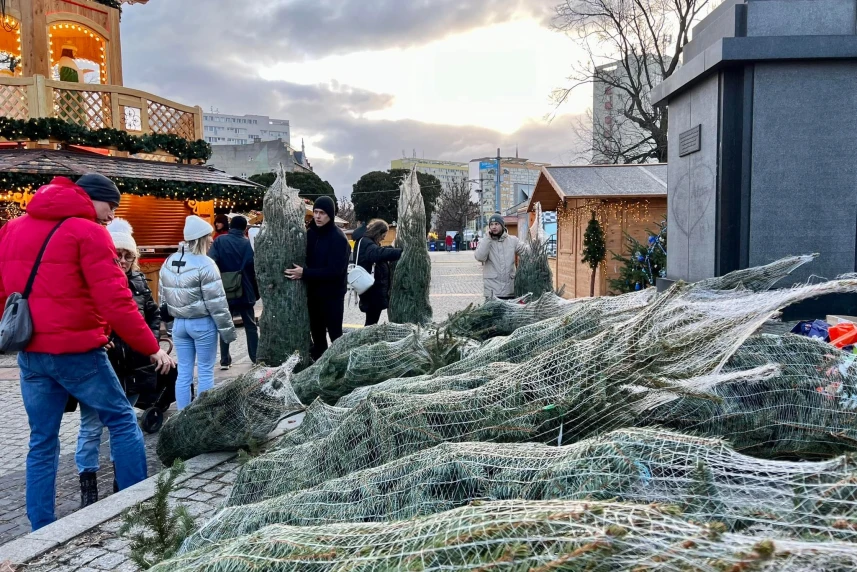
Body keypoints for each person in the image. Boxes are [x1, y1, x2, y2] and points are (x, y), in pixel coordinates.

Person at [0, 174, 174, 531]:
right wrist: (151, 347)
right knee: (123, 420)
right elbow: (117, 301)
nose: (111, 217)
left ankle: (42, 526)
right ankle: (135, 508)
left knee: (42, 440)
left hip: (30, 353)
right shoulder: (89, 232)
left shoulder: (13, 229)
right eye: (110, 207)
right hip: (78, 352)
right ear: (89, 198)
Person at [76, 218, 162, 507]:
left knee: (122, 425)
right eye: (118, 254)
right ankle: (87, 486)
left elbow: (152, 313)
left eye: (128, 255)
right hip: (99, 366)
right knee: (90, 426)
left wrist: (147, 341)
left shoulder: (138, 281)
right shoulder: (90, 281)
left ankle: (120, 481)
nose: (123, 260)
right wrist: (100, 335)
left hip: (132, 367)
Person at [160, 216, 236, 409]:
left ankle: (183, 415)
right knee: (205, 372)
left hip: (178, 325)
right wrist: (228, 332)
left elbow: (163, 297)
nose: (211, 240)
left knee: (184, 372)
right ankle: (202, 417)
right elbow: (217, 302)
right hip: (202, 323)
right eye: (208, 236)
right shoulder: (206, 264)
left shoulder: (169, 261)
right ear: (202, 238)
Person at [285, 197, 350, 360]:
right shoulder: (311, 234)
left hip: (332, 296)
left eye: (322, 213)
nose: (318, 216)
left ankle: (339, 366)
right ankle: (320, 368)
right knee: (317, 335)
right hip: (313, 295)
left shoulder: (339, 238)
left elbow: (335, 271)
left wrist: (305, 273)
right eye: (315, 212)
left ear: (330, 215)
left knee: (336, 336)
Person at [208, 215, 259, 369]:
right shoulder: (247, 244)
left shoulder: (219, 241)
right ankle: (255, 357)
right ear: (244, 228)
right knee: (250, 325)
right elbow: (253, 267)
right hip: (245, 289)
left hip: (224, 289)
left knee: (225, 324)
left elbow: (211, 261)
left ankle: (224, 360)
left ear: (230, 226)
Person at [354, 219, 402, 326]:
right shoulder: (367, 242)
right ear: (378, 232)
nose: (384, 237)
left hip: (370, 291)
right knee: (371, 323)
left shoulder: (365, 241)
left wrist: (391, 248)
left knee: (371, 321)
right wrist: (401, 252)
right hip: (372, 292)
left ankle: (367, 341)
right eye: (384, 234)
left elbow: (377, 250)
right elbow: (378, 253)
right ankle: (366, 342)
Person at [474, 213, 526, 300]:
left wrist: (537, 246)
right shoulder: (485, 241)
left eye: (496, 224)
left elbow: (526, 251)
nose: (494, 227)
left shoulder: (513, 240)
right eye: (491, 224)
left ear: (502, 225)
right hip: (492, 292)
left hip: (510, 290)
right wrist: (487, 239)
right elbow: (479, 257)